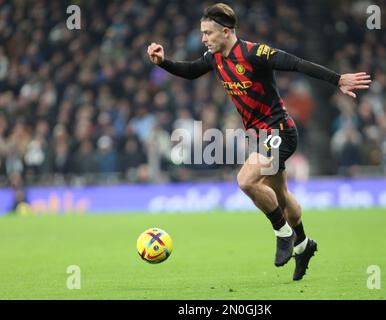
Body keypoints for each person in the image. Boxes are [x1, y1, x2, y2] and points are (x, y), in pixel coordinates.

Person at [147, 3, 371, 281]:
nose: (203, 38)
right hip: (260, 137)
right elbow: (191, 71)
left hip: (279, 130)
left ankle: (283, 233)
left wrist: (337, 80)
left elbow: (297, 63)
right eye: (202, 33)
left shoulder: (255, 53)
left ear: (226, 32)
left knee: (246, 180)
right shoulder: (214, 57)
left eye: (208, 33)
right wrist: (163, 62)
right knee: (282, 197)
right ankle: (304, 245)